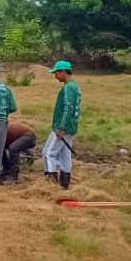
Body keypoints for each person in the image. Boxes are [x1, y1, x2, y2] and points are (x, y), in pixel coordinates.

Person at [43, 61, 82, 189]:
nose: (55, 76)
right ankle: (64, 185)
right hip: (72, 127)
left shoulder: (68, 87)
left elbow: (68, 109)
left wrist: (61, 128)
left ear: (63, 72)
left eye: (56, 73)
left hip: (63, 127)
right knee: (65, 155)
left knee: (48, 153)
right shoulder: (75, 86)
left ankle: (50, 185)